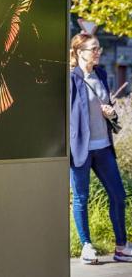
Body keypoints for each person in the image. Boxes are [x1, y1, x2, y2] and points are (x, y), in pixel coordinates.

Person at [69, 33, 131, 264]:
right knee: (81, 198)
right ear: (79, 51)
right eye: (93, 48)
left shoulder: (102, 74)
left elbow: (109, 108)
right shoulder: (71, 79)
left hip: (103, 147)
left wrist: (111, 113)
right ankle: (86, 246)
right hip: (80, 149)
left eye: (98, 49)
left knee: (118, 195)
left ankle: (121, 247)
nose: (98, 52)